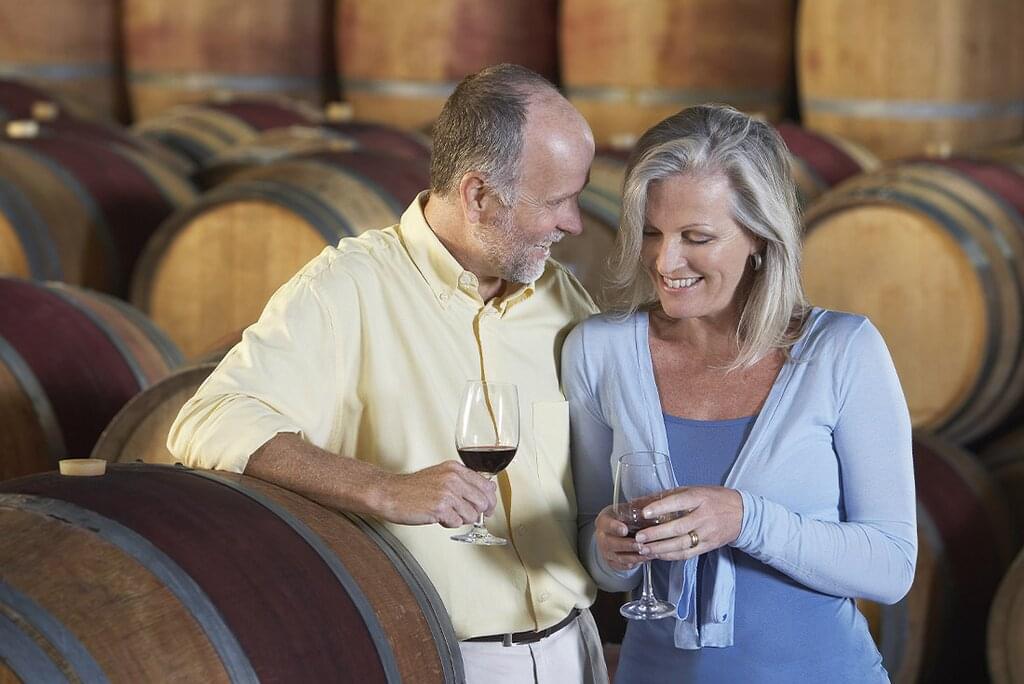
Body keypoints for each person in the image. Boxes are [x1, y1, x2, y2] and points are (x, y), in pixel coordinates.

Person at [168, 64, 608, 684]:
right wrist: (382, 488)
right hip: (440, 660)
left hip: (573, 650)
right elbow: (211, 419)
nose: (574, 223)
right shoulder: (346, 288)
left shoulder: (563, 299)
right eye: (556, 201)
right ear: (478, 195)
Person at [562, 105, 916, 683]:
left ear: (759, 235)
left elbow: (892, 567)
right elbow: (593, 553)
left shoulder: (843, 350)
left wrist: (745, 519)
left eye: (696, 237)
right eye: (651, 232)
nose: (665, 260)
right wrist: (606, 550)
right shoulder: (599, 350)